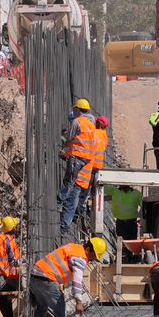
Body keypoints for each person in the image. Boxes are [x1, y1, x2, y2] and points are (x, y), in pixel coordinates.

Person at [27, 236, 108, 317]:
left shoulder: (74, 248)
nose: (93, 260)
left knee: (41, 307)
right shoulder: (80, 257)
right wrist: (78, 301)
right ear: (88, 249)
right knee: (60, 309)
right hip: (47, 278)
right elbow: (77, 280)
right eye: (94, 256)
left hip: (35, 276)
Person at [58, 99, 102, 233]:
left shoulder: (77, 122)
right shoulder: (92, 125)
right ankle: (66, 224)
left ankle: (60, 202)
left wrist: (64, 144)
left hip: (77, 159)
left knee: (69, 183)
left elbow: (70, 138)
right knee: (74, 197)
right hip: (86, 163)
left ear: (78, 109)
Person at [105, 183, 144, 253]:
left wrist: (141, 218)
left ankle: (130, 255)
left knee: (130, 243)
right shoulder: (115, 191)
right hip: (122, 222)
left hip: (131, 223)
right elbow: (104, 186)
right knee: (123, 242)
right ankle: (127, 255)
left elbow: (143, 206)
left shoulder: (135, 193)